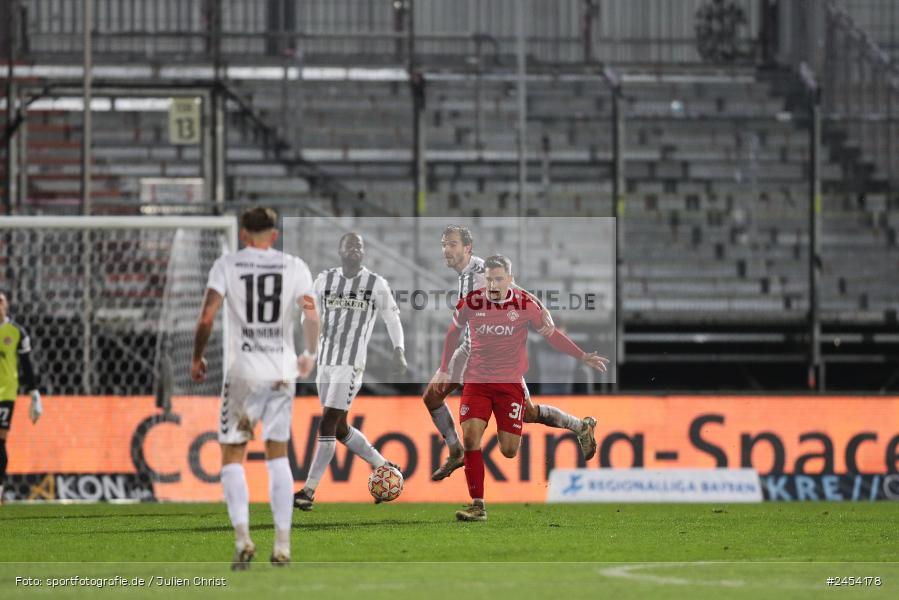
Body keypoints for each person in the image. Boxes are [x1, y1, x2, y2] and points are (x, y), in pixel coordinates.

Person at [191, 207, 320, 570]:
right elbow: (311, 314)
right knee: (278, 453)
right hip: (282, 371)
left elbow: (206, 317)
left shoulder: (227, 265)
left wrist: (197, 357)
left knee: (233, 453)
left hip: (244, 373)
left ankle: (244, 538)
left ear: (244, 234)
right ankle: (282, 545)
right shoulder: (294, 265)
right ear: (274, 235)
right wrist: (309, 353)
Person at [437, 255, 608, 521]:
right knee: (470, 437)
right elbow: (451, 334)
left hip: (509, 383)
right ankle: (477, 506)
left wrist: (581, 355)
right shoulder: (471, 302)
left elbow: (551, 335)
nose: (493, 285)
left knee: (509, 450)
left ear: (510, 280)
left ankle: (581, 426)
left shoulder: (525, 304)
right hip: (477, 381)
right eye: (489, 279)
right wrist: (445, 368)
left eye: (499, 279)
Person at [427, 225, 599, 482]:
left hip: (495, 355)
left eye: (452, 244)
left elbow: (515, 289)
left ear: (467, 248)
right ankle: (456, 451)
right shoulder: (466, 273)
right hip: (471, 349)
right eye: (444, 244)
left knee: (527, 414)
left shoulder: (479, 269)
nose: (447, 250)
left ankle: (580, 427)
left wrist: (543, 310)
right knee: (432, 396)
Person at [293, 232, 407, 511]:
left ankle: (308, 491)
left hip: (351, 364)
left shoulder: (375, 283)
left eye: (359, 245)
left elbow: (391, 316)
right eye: (349, 245)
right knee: (340, 427)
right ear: (340, 250)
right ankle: (382, 465)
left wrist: (399, 350)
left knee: (328, 423)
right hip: (326, 363)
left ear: (363, 252)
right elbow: (308, 311)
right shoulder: (324, 280)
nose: (355, 249)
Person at [0, 292, 42, 503]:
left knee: (0, 440)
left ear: (6, 306)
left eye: (0, 301)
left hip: (5, 393)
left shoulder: (16, 332)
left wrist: (34, 394)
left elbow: (27, 366)